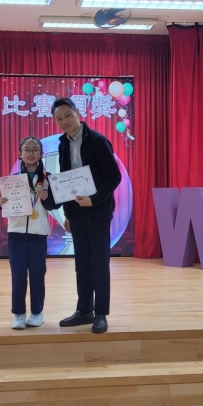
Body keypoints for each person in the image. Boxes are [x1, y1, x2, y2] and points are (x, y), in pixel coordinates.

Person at [51, 97, 122, 334]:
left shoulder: (98, 141)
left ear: (77, 113)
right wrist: (68, 214)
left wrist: (94, 199)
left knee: (99, 262)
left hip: (98, 211)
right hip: (76, 212)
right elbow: (66, 181)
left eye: (67, 115)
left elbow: (113, 177)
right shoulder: (63, 144)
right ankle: (84, 310)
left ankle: (100, 313)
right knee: (82, 264)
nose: (64, 121)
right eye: (59, 119)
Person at [0, 136, 59, 330]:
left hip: (38, 234)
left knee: (37, 275)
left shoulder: (48, 178)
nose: (31, 153)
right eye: (27, 149)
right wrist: (0, 203)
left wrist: (46, 197)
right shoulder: (13, 180)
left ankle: (37, 313)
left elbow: (54, 205)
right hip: (16, 234)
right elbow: (5, 204)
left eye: (35, 150)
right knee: (18, 275)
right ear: (20, 153)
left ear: (41, 153)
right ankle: (19, 314)